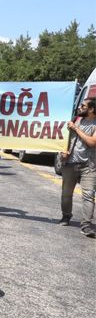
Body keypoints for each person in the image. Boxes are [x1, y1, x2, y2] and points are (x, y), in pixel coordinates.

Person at [59, 98, 96, 237]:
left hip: (89, 166)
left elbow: (92, 142)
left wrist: (76, 129)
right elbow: (66, 138)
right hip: (70, 163)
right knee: (66, 193)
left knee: (88, 196)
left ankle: (86, 225)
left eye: (83, 106)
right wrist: (63, 151)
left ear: (91, 109)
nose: (80, 108)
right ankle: (66, 216)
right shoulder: (75, 120)